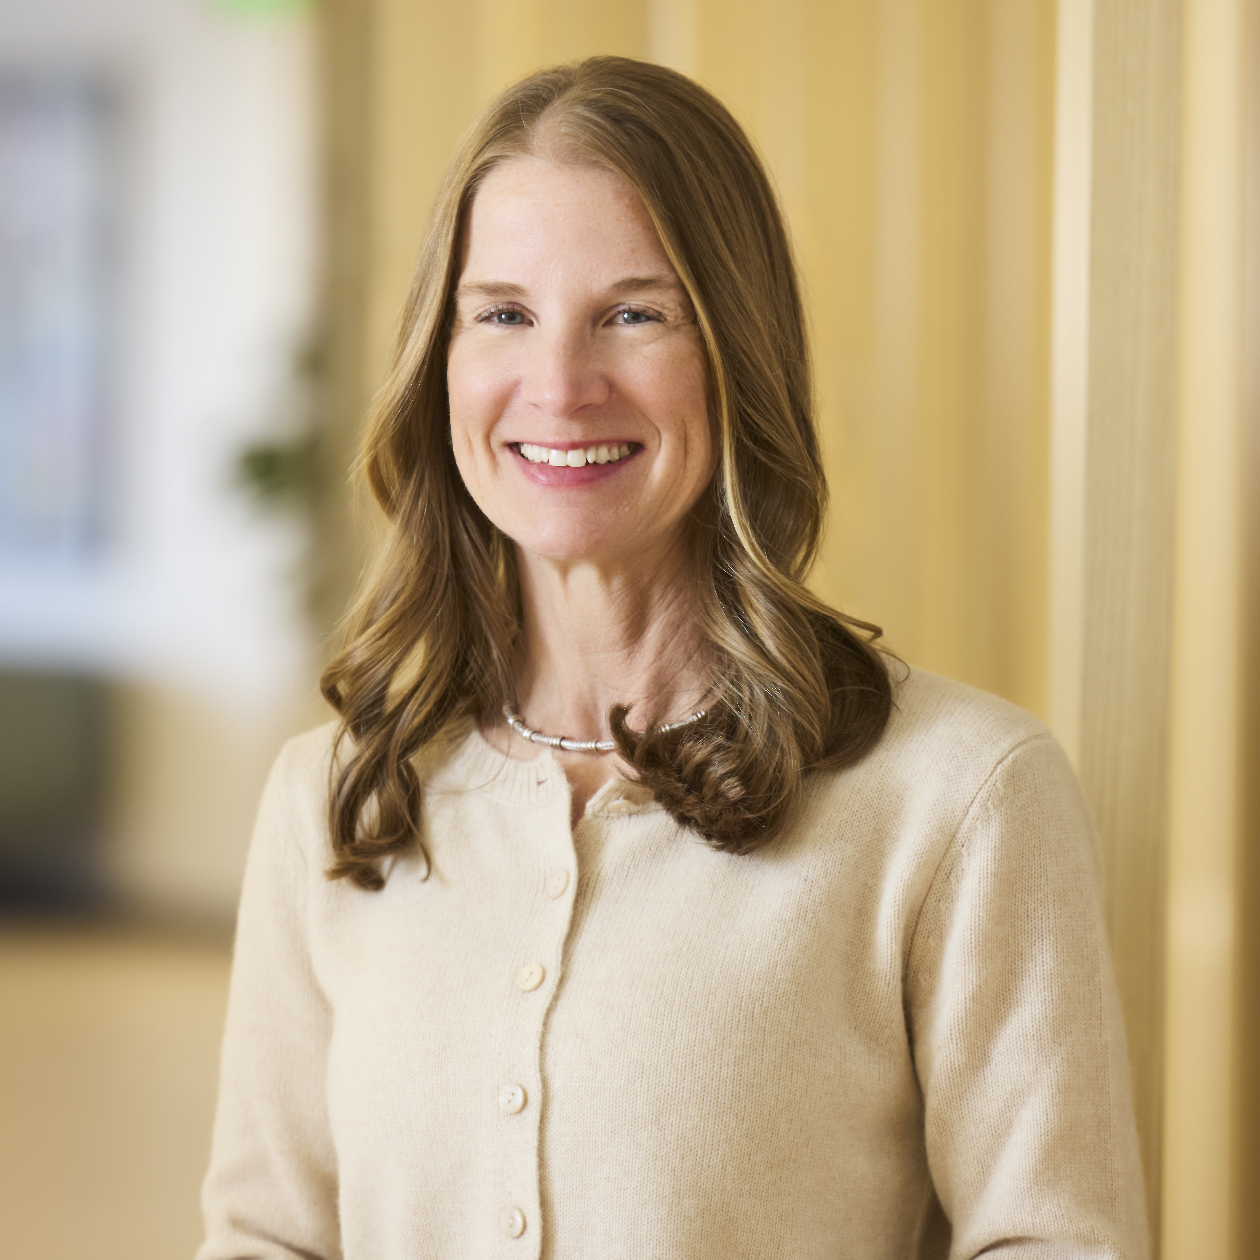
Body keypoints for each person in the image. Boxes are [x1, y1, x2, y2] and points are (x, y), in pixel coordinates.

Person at [198, 56, 1148, 1260]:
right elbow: (266, 1236)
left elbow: (1057, 1240)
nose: (558, 384)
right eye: (502, 314)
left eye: (634, 313)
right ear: (441, 361)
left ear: (737, 352)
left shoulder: (962, 799)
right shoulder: (334, 799)